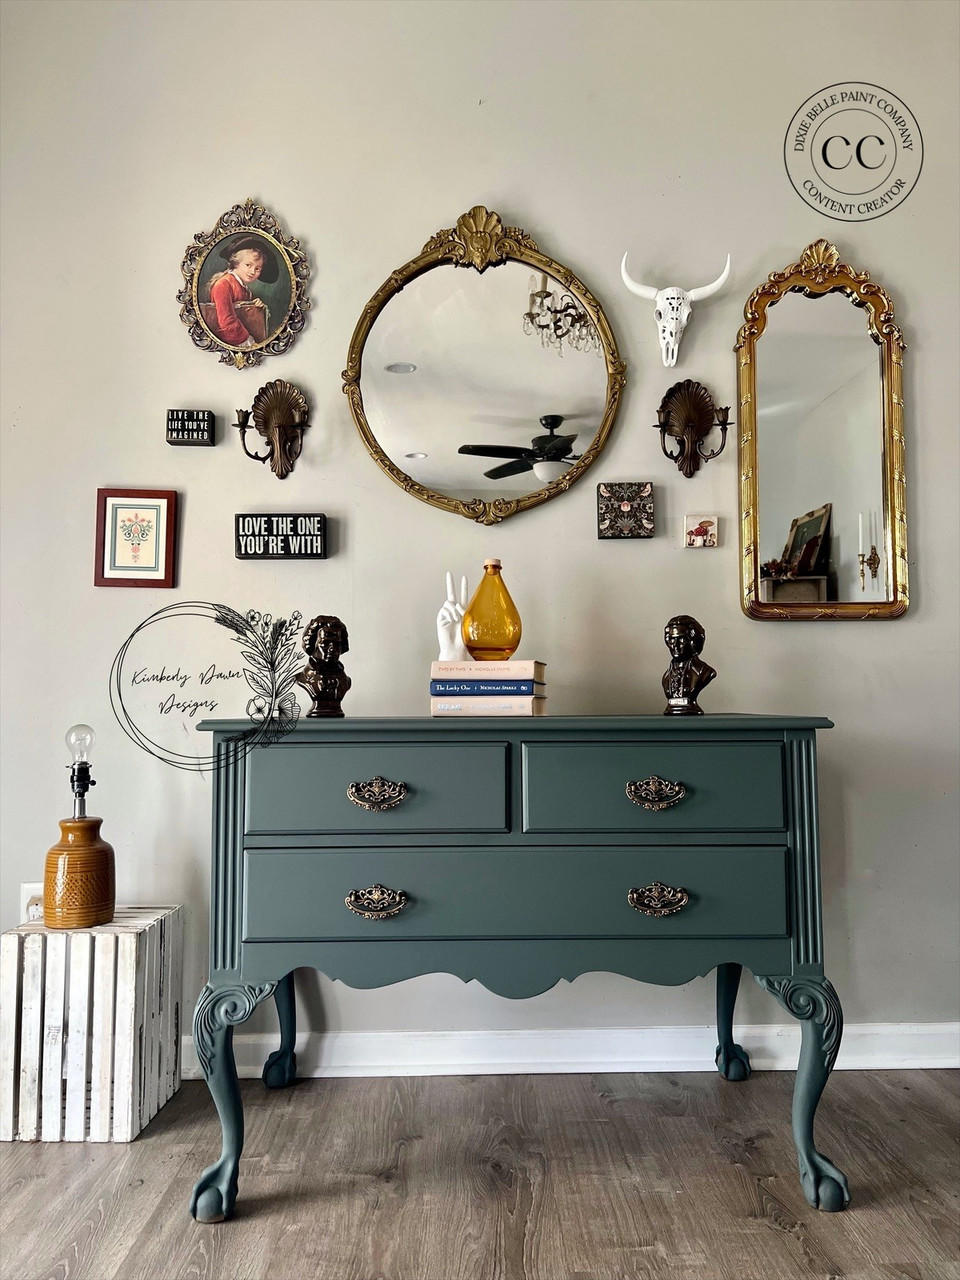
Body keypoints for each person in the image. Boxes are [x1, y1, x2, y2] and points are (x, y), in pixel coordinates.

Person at [205, 236, 277, 347]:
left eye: (258, 268)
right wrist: (249, 342)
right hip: (230, 341)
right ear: (236, 263)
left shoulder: (245, 290)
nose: (253, 271)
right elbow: (227, 322)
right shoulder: (223, 284)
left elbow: (244, 314)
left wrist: (254, 307)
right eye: (248, 265)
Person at [661, 614, 716, 716]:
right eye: (672, 639)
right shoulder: (666, 677)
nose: (675, 645)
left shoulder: (704, 672)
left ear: (693, 641)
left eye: (681, 639)